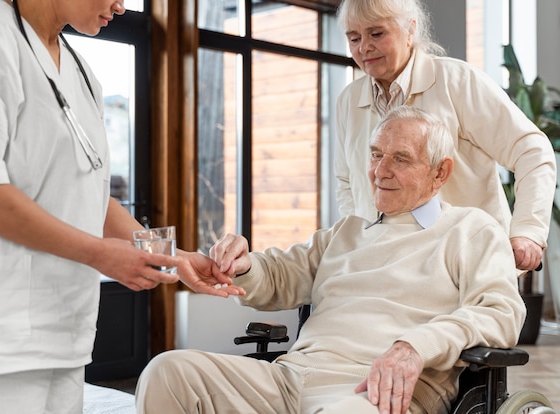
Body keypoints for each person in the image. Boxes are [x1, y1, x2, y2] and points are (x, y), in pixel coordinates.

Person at [0, 1, 242, 413]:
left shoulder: (80, 73)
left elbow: (89, 194)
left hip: (63, 331)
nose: (120, 5)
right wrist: (99, 254)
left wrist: (173, 258)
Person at [135, 106, 526, 414]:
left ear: (440, 173)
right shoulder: (347, 232)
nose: (380, 171)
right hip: (290, 380)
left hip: (375, 392)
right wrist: (242, 265)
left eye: (401, 159)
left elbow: (501, 312)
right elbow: (279, 274)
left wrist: (415, 345)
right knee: (167, 373)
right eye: (376, 154)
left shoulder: (470, 230)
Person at [334, 0, 556, 272]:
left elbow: (531, 150)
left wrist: (528, 231)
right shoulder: (348, 100)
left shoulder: (457, 81)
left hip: (469, 265)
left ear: (410, 30)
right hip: (389, 270)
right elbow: (347, 182)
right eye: (353, 38)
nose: (363, 47)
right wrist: (359, 242)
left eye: (377, 34)